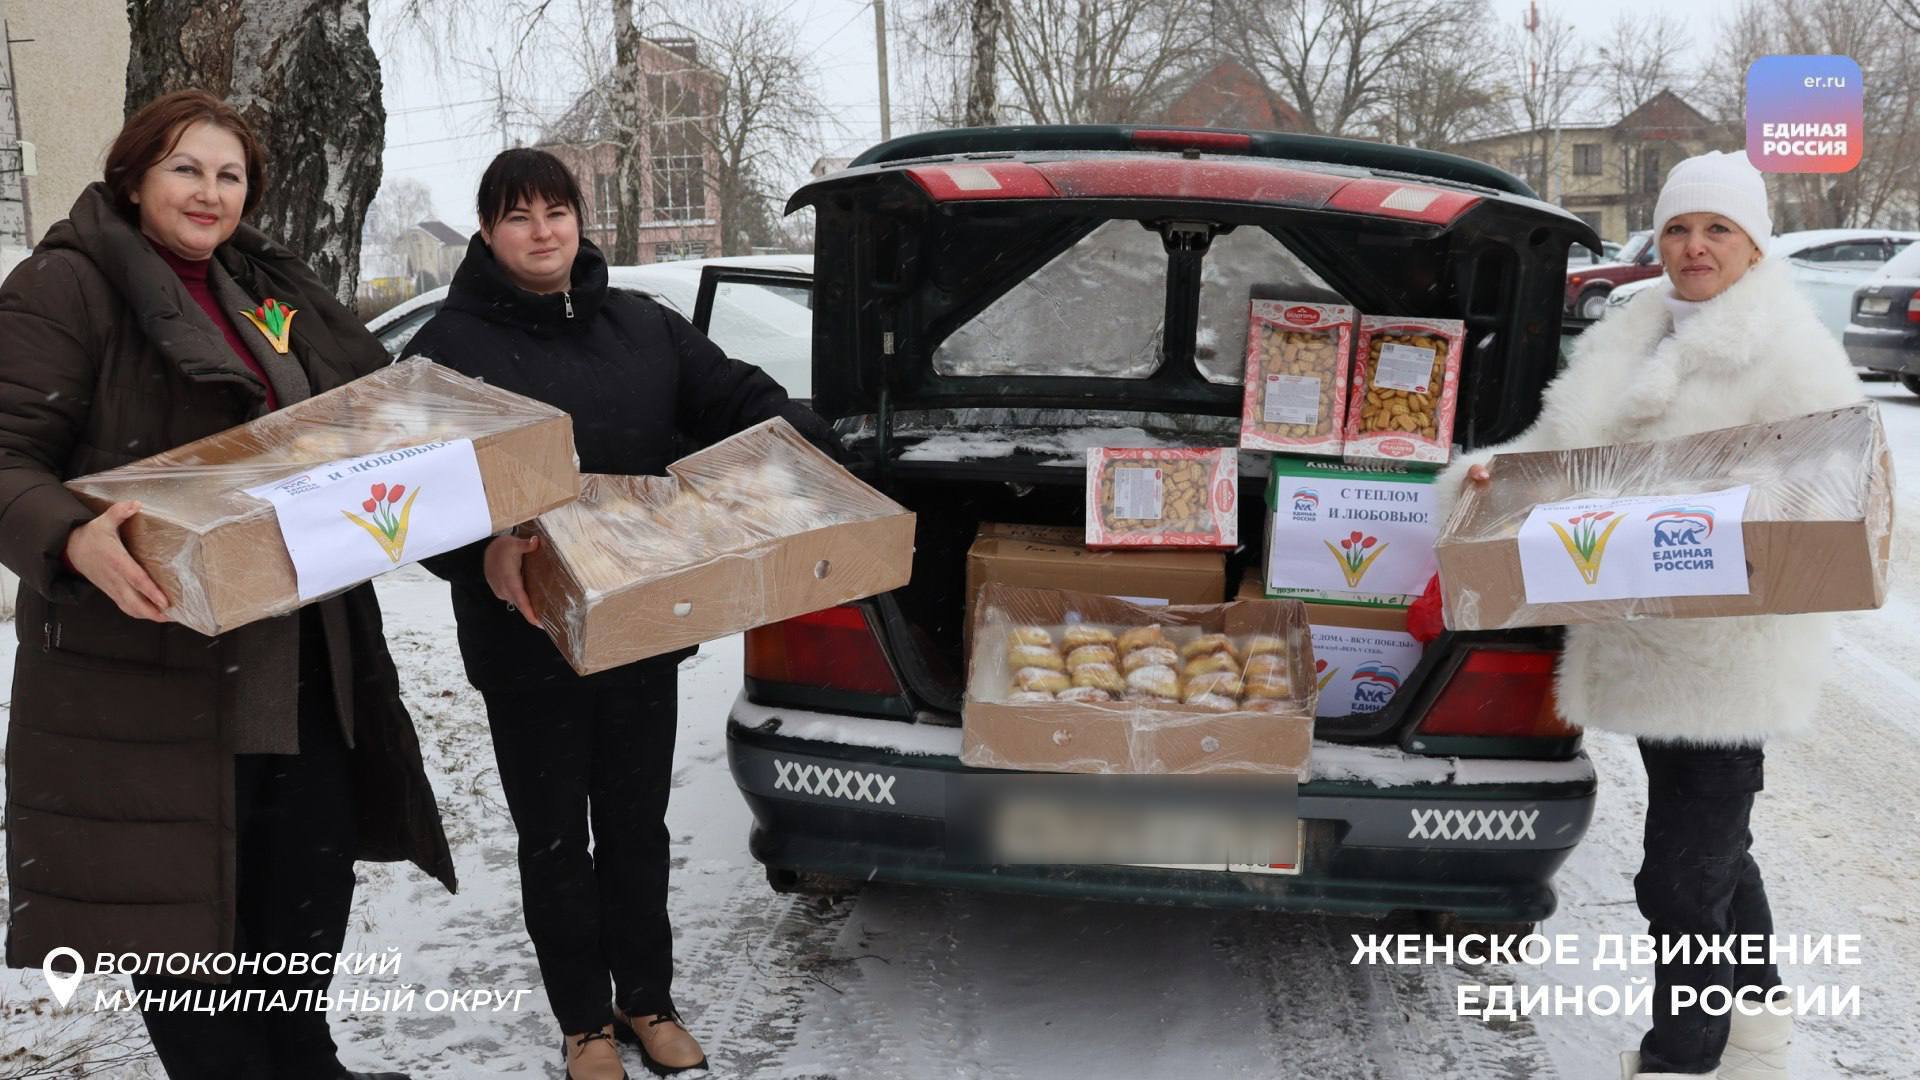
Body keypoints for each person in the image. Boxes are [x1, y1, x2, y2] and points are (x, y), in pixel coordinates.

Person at [0, 90, 457, 1079]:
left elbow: (361, 435)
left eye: (230, 174)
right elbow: (6, 458)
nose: (211, 193)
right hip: (153, 681)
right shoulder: (67, 289)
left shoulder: (265, 292)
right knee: (196, 960)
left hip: (301, 674)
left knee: (300, 930)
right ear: (133, 177)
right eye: (186, 168)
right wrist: (72, 539)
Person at [401, 148, 835, 1080]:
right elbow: (403, 498)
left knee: (636, 825)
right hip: (525, 635)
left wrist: (800, 439)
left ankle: (647, 999)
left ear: (579, 220)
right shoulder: (447, 352)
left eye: (557, 210)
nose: (543, 230)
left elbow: (734, 396)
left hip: (641, 620)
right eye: (519, 216)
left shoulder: (642, 327)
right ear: (487, 233)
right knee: (555, 833)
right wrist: (477, 551)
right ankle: (584, 1023)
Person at [1437, 151, 1865, 1080]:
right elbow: (1561, 452)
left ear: (1753, 244)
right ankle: (1755, 1010)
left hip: (1728, 647)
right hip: (1639, 632)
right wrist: (1489, 484)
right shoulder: (1629, 337)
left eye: (1717, 229)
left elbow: (1843, 483)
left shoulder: (1789, 347)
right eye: (1677, 227)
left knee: (1678, 873)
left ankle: (1685, 1055)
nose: (1693, 246)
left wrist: (1717, 509)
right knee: (1714, 849)